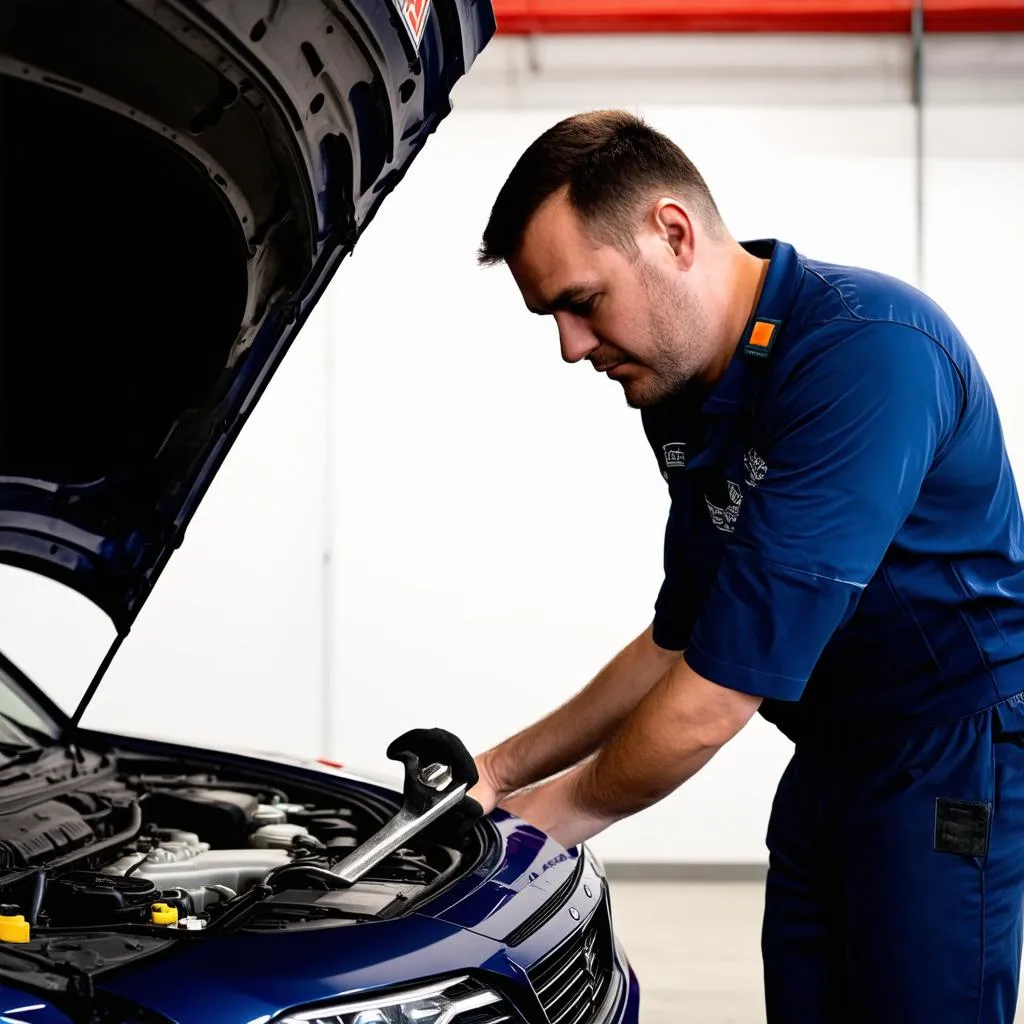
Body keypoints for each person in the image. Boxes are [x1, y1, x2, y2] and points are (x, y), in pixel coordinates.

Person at [464, 109, 1024, 1022]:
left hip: (947, 753)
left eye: (582, 300)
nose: (570, 347)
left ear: (671, 233)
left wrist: (536, 827)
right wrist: (496, 769)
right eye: (550, 316)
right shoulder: (681, 389)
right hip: (830, 751)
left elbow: (716, 697)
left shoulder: (868, 356)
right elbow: (684, 634)